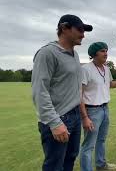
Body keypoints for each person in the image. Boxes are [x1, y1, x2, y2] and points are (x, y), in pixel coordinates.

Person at [32, 14, 93, 171]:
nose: (83, 34)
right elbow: (40, 92)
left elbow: (76, 88)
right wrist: (55, 123)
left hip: (74, 116)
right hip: (58, 118)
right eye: (79, 29)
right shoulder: (47, 53)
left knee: (70, 160)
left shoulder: (75, 54)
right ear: (64, 28)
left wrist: (83, 116)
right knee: (54, 166)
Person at [80, 42, 116, 171]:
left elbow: (110, 84)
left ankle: (101, 165)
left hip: (105, 109)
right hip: (91, 111)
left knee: (101, 140)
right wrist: (85, 117)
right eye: (103, 51)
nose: (106, 53)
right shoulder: (85, 69)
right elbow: (79, 95)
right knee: (88, 145)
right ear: (94, 54)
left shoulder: (106, 68)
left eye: (106, 50)